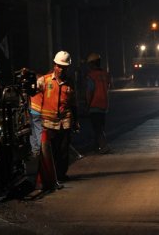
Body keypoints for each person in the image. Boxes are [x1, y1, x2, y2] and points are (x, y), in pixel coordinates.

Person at [36, 50, 79, 188]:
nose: (61, 69)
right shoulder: (45, 80)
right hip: (48, 123)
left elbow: (73, 103)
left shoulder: (70, 83)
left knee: (63, 150)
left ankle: (61, 174)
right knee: (52, 151)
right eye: (59, 66)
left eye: (64, 67)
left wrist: (76, 121)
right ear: (54, 65)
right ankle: (52, 175)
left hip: (65, 122)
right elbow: (33, 93)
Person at [86, 53, 111, 154]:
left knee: (97, 128)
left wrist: (87, 105)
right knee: (101, 126)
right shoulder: (105, 74)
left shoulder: (91, 75)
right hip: (104, 105)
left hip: (94, 105)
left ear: (92, 64)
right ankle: (96, 147)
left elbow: (89, 91)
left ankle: (103, 146)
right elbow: (108, 87)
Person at [28, 73, 44, 158]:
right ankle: (42, 150)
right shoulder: (41, 85)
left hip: (31, 110)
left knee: (32, 131)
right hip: (38, 110)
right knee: (39, 130)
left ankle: (35, 150)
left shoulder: (30, 86)